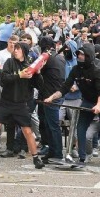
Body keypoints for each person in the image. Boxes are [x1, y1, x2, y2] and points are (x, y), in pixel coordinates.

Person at [44, 45, 100, 170]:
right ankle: (82, 158)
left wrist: (98, 106)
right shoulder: (76, 70)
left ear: (89, 56)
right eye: (78, 54)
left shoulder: (96, 71)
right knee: (80, 128)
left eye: (82, 54)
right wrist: (51, 98)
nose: (79, 57)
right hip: (87, 101)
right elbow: (65, 87)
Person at [0, 42, 44, 168]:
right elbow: (4, 80)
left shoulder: (29, 66)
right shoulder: (9, 62)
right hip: (6, 102)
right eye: (15, 48)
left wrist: (38, 73)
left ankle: (36, 158)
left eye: (18, 48)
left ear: (24, 51)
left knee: (28, 131)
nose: (15, 50)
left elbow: (39, 85)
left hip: (21, 104)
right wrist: (19, 75)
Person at [37, 36, 66, 164]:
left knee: (52, 126)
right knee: (51, 125)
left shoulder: (47, 58)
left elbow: (36, 71)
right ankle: (53, 151)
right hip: (57, 93)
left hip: (50, 95)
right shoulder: (60, 57)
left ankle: (57, 153)